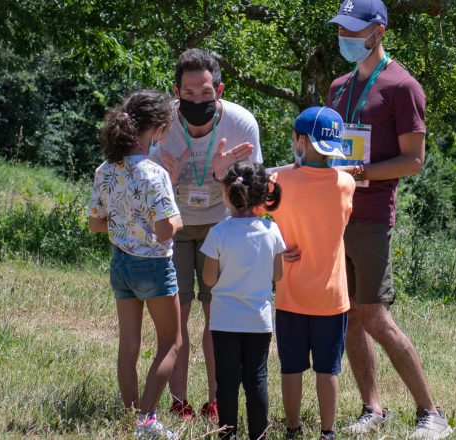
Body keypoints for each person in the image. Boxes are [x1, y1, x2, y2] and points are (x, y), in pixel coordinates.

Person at [326, 0, 454, 438]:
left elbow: (414, 160)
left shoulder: (403, 87)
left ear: (378, 31)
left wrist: (363, 173)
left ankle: (432, 413)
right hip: (335, 213)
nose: (345, 37)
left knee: (375, 315)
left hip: (373, 215)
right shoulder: (338, 87)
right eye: (341, 29)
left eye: (353, 30)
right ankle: (373, 409)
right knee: (348, 316)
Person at [151, 48, 262, 423]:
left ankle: (216, 399)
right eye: (188, 93)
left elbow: (253, 194)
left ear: (219, 89)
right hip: (175, 224)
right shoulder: (160, 124)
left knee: (218, 318)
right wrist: (171, 176)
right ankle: (179, 401)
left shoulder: (242, 123)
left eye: (205, 93)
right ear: (175, 89)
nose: (197, 100)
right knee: (176, 318)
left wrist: (221, 175)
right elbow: (147, 187)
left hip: (222, 224)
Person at [88, 89, 183, 439]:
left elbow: (95, 224)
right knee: (171, 343)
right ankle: (147, 420)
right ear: (157, 129)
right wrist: (178, 221)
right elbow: (163, 230)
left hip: (121, 265)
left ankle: (131, 421)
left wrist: (123, 221)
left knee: (128, 346)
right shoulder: (154, 174)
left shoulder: (104, 169)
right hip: (154, 268)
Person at [269, 107, 356, 440]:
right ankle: (327, 431)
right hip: (332, 299)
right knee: (328, 368)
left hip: (290, 293)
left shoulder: (280, 183)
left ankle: (292, 429)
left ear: (301, 141)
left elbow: (259, 205)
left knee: (291, 367)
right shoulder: (346, 185)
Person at [200, 161, 286, 440]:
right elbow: (278, 274)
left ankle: (227, 434)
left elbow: (209, 279)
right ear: (261, 194)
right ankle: (258, 435)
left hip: (224, 319)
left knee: (227, 381)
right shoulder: (271, 231)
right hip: (258, 321)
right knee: (256, 378)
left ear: (226, 193)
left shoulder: (218, 233)